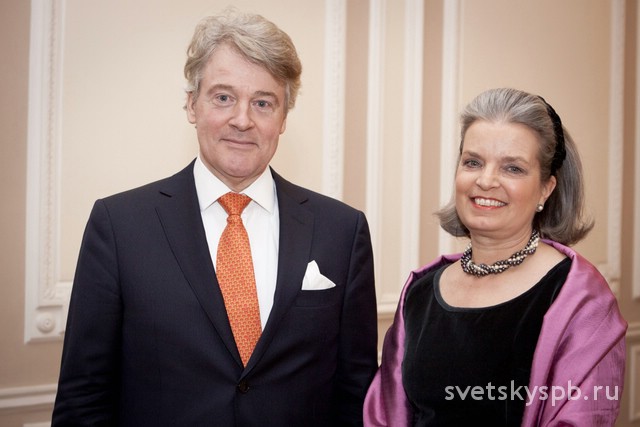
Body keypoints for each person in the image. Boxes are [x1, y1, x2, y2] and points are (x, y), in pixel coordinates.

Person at [52, 10, 378, 427]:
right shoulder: (118, 226)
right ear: (192, 104)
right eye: (223, 97)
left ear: (283, 119)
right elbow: (83, 398)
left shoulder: (342, 231)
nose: (242, 120)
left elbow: (356, 394)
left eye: (263, 103)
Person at [363, 88, 627, 426]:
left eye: (512, 168)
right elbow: (386, 416)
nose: (486, 180)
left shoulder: (581, 298)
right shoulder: (420, 291)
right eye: (473, 162)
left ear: (546, 188)